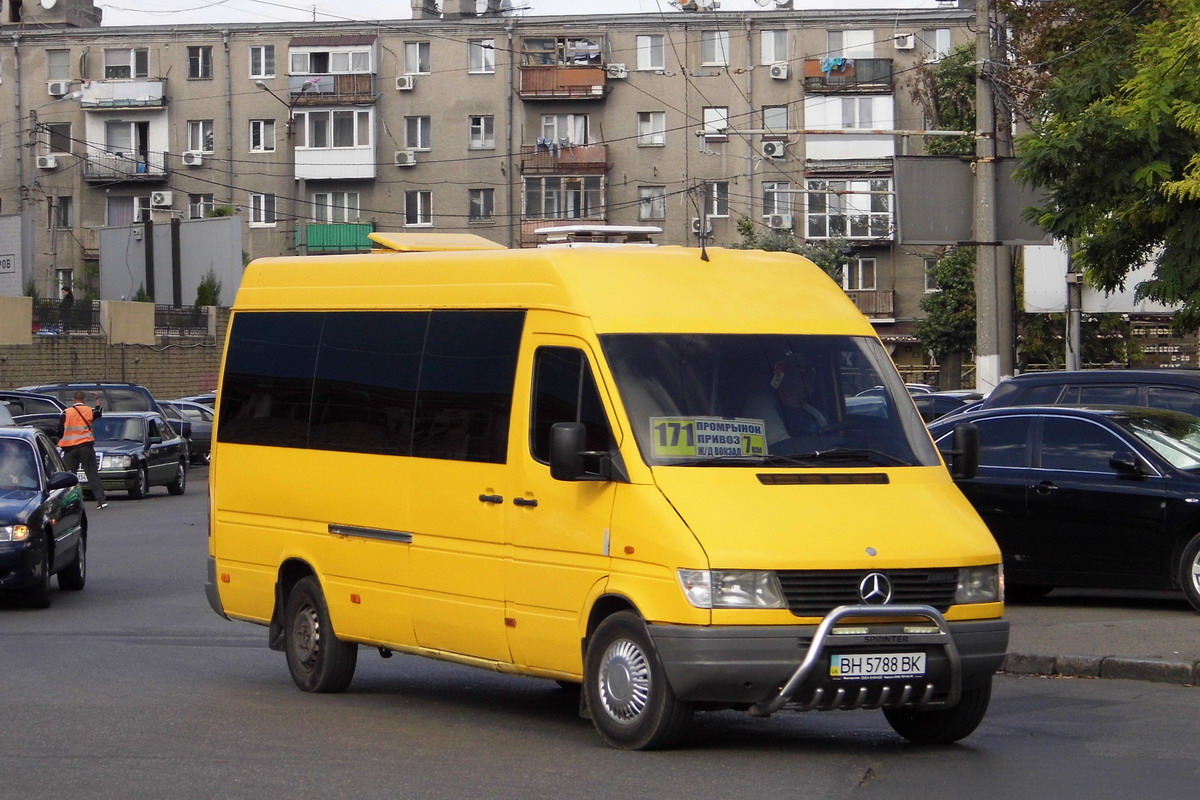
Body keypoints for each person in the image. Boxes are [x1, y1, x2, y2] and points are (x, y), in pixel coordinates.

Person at [744, 354, 829, 448]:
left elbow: (828, 442)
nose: (812, 378)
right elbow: (781, 445)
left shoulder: (814, 413)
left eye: (812, 373)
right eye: (803, 373)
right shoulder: (761, 405)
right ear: (785, 377)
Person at [59, 390, 107, 509]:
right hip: (86, 447)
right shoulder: (89, 411)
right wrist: (97, 400)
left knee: (69, 477)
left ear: (73, 400)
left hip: (70, 448)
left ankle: (69, 503)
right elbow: (99, 413)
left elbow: (59, 430)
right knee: (92, 474)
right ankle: (101, 501)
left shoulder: (66, 412)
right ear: (84, 400)